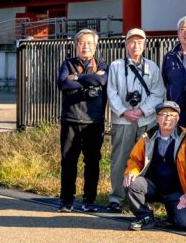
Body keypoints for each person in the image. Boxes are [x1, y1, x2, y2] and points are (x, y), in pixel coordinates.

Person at [107, 28, 165, 212]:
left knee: (145, 159)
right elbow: (111, 93)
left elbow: (158, 93)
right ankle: (116, 197)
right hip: (123, 120)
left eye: (140, 42)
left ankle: (139, 197)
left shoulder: (152, 67)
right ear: (126, 44)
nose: (136, 45)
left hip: (146, 120)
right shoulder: (116, 66)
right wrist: (124, 111)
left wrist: (142, 110)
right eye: (132, 42)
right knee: (120, 159)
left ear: (145, 45)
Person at [123, 101, 186, 231]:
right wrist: (132, 171)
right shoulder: (147, 137)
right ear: (157, 118)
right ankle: (145, 216)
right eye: (163, 114)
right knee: (132, 182)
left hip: (176, 191)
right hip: (152, 186)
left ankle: (172, 213)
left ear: (177, 118)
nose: (167, 118)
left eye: (172, 115)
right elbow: (135, 160)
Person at [56, 28, 109, 212]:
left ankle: (89, 200)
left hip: (93, 121)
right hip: (70, 119)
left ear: (96, 46)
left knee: (92, 162)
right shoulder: (68, 63)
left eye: (89, 43)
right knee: (68, 161)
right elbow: (63, 83)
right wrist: (90, 78)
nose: (85, 46)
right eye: (82, 43)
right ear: (76, 45)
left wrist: (78, 77)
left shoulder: (102, 64)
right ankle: (66, 200)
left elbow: (101, 81)